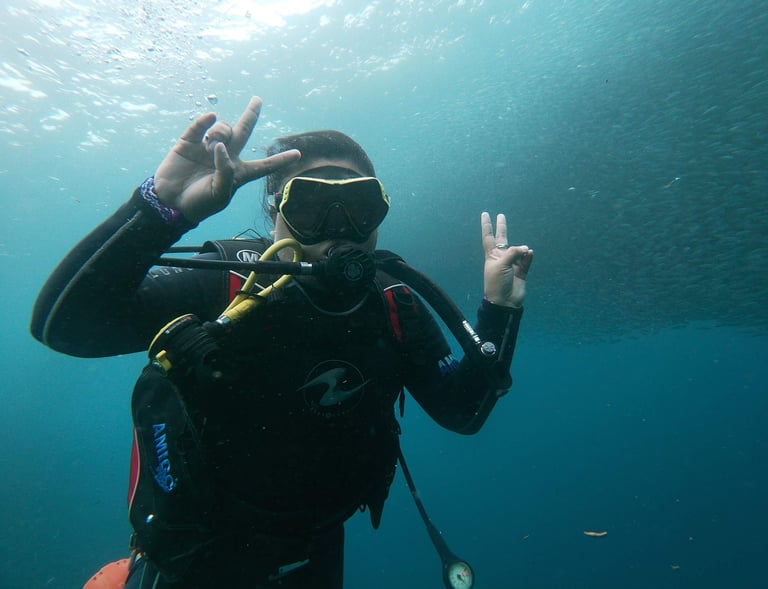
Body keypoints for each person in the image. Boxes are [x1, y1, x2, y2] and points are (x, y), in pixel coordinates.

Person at [31, 96, 533, 588]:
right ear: (276, 212)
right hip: (191, 556)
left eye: (360, 207)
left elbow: (463, 411)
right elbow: (65, 325)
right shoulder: (226, 284)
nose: (341, 229)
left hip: (313, 549)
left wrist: (500, 309)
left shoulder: (393, 306)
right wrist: (161, 208)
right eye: (312, 206)